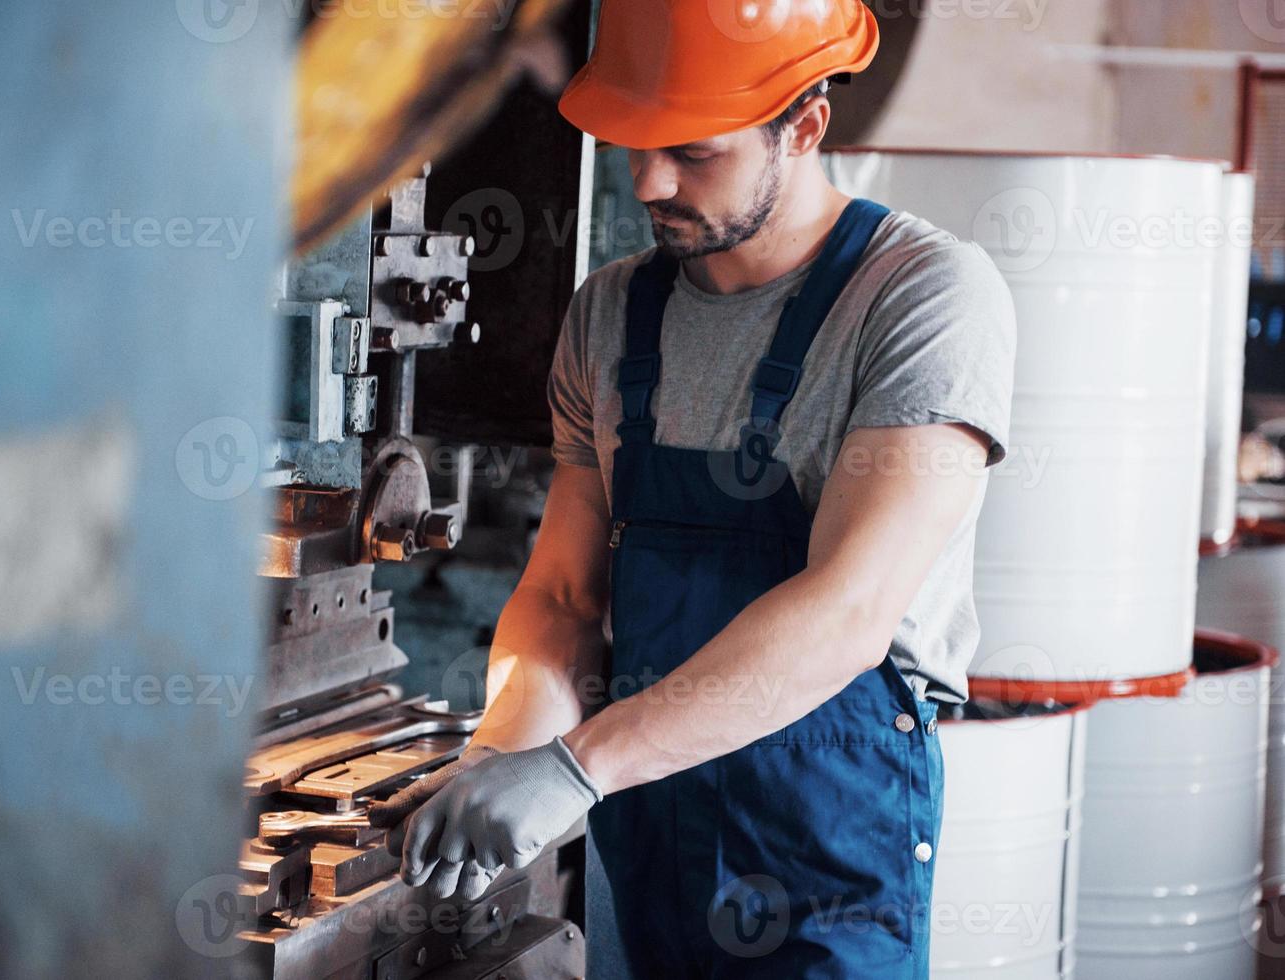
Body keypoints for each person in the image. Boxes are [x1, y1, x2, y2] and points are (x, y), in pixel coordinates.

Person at [369, 0, 1018, 974]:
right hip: (643, 829)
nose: (650, 183)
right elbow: (562, 593)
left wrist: (576, 765)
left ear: (804, 125)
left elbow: (848, 610)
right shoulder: (610, 312)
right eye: (632, 146)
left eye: (694, 153)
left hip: (818, 848)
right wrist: (498, 758)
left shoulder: (921, 297)